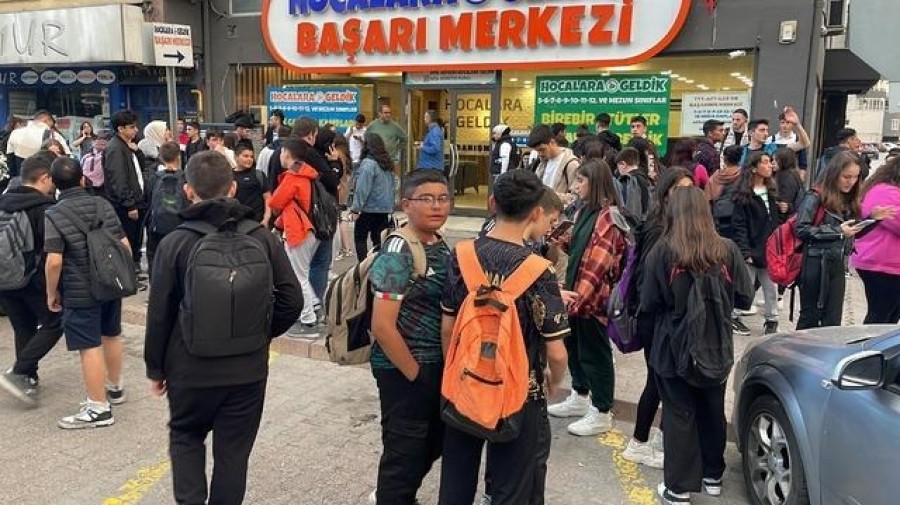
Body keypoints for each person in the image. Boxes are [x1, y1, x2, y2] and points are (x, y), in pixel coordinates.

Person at [144, 150, 301, 505]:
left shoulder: (174, 243)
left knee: (186, 437)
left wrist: (156, 368)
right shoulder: (262, 237)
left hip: (189, 367)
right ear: (232, 189)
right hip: (247, 369)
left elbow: (159, 314)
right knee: (233, 454)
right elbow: (292, 300)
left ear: (188, 191)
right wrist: (259, 332)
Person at [439, 169, 570, 505]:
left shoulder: (462, 254)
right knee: (511, 488)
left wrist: (455, 369)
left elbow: (449, 326)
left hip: (466, 383)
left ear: (492, 203)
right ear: (536, 212)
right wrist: (553, 381)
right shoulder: (539, 270)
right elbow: (556, 352)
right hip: (520, 391)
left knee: (455, 481)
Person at [640, 187, 752, 505]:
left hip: (671, 344)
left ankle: (678, 488)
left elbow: (649, 302)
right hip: (716, 343)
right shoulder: (727, 249)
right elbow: (745, 297)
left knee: (679, 414)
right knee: (712, 409)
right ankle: (712, 475)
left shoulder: (662, 251)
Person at [368, 170, 451, 504]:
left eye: (443, 198)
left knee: (433, 442)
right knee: (404, 452)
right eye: (426, 199)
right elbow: (382, 325)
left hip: (435, 364)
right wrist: (415, 375)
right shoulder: (398, 249)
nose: (437, 206)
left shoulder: (438, 242)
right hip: (404, 367)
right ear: (406, 204)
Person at [44, 157, 128, 428]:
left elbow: (54, 261)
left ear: (54, 184)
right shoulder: (103, 204)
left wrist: (51, 293)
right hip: (109, 283)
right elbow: (124, 244)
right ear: (82, 179)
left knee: (89, 345)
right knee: (111, 333)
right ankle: (115, 388)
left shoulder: (54, 214)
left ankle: (98, 408)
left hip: (79, 290)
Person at [622, 168, 694, 470]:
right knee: (658, 378)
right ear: (665, 194)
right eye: (679, 189)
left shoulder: (679, 225)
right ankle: (639, 442)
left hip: (663, 316)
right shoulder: (658, 229)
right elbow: (645, 280)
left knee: (664, 379)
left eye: (690, 189)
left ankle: (655, 440)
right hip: (654, 318)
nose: (686, 196)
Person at [548, 159, 627, 437]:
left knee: (595, 354)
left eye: (581, 181)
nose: (575, 186)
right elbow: (579, 247)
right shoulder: (585, 211)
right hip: (577, 296)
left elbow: (598, 265)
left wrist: (577, 299)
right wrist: (558, 238)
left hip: (593, 300)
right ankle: (580, 396)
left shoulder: (608, 217)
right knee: (576, 348)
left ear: (595, 183)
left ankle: (602, 410)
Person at [795, 151, 892, 329]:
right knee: (811, 316)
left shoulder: (849, 199)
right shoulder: (815, 196)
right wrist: (837, 231)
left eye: (855, 177)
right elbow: (801, 229)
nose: (851, 181)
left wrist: (872, 219)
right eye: (847, 177)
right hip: (815, 262)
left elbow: (853, 233)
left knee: (833, 320)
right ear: (834, 174)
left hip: (838, 262)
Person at [0, 152, 63, 405]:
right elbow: (49, 253)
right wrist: (53, 289)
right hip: (30, 277)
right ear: (45, 178)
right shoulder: (43, 208)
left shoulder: (3, 199)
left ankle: (28, 378)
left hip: (3, 276)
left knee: (23, 326)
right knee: (55, 322)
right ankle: (19, 371)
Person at [268, 138, 321, 336]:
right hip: (311, 229)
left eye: (282, 152)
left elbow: (275, 202)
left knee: (299, 276)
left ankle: (308, 321)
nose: (280, 156)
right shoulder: (308, 174)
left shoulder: (293, 177)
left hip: (299, 231)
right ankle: (314, 305)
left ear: (288, 154)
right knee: (302, 273)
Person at [731, 152, 783, 334]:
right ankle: (734, 316)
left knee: (771, 287)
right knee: (746, 285)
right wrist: (745, 251)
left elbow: (776, 221)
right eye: (765, 162)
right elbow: (739, 225)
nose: (770, 166)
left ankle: (772, 320)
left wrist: (785, 209)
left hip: (770, 248)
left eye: (770, 162)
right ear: (754, 168)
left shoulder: (772, 191)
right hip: (752, 249)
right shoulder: (744, 195)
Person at [297, 117, 342, 306]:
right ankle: (314, 303)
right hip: (321, 215)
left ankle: (311, 303)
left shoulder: (303, 154)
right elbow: (332, 180)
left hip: (309, 213)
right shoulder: (315, 157)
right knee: (320, 262)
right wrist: (335, 163)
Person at [851, 157, 900, 323]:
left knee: (889, 318)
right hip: (882, 265)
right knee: (880, 317)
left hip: (888, 265)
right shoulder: (885, 192)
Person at [102, 109, 147, 275]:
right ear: (120, 128)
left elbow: (138, 169)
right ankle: (129, 273)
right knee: (128, 240)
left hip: (135, 201)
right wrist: (130, 205)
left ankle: (133, 269)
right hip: (125, 206)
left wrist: (136, 151)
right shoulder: (115, 148)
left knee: (135, 239)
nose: (136, 130)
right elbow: (118, 179)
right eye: (132, 127)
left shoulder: (125, 146)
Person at [144, 141, 189, 280]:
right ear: (178, 156)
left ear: (161, 157)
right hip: (180, 227)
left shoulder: (154, 177)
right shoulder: (185, 178)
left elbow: (147, 200)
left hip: (157, 227)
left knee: (156, 259)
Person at [349, 132, 395, 262]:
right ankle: (378, 267)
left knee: (360, 238)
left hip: (368, 208)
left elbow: (362, 189)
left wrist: (355, 209)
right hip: (384, 209)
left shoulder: (368, 164)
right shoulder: (387, 164)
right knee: (379, 241)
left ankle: (363, 266)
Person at [739, 107, 809, 165]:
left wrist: (797, 124)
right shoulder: (741, 151)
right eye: (762, 130)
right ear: (751, 133)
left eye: (767, 130)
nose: (766, 133)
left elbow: (804, 144)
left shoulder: (773, 148)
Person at [528, 124, 580, 202]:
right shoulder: (541, 163)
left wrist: (550, 196)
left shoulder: (571, 164)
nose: (540, 154)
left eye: (542, 149)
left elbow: (577, 198)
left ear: (552, 142)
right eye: (537, 151)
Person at [233, 144, 272, 225]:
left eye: (251, 157)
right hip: (237, 222)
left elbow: (267, 197)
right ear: (236, 157)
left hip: (257, 222)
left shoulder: (259, 175)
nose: (249, 159)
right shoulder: (229, 175)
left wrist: (266, 218)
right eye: (245, 156)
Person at [768, 112, 809, 180]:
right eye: (782, 122)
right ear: (779, 124)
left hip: (790, 178)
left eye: (788, 123)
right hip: (773, 178)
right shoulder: (770, 140)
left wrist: (800, 180)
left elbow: (803, 165)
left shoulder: (797, 140)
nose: (785, 125)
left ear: (792, 124)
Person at [614, 147, 651, 220]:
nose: (618, 170)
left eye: (618, 166)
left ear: (623, 164)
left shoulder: (627, 182)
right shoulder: (647, 180)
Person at [367, 104, 408, 169]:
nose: (388, 115)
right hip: (375, 160)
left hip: (390, 159)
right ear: (380, 113)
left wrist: (397, 149)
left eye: (389, 113)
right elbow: (366, 138)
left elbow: (405, 138)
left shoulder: (395, 126)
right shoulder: (373, 125)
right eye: (385, 113)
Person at [772, 147, 805, 218]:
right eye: (773, 159)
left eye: (776, 160)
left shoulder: (785, 176)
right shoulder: (793, 173)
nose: (772, 163)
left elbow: (784, 204)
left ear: (784, 160)